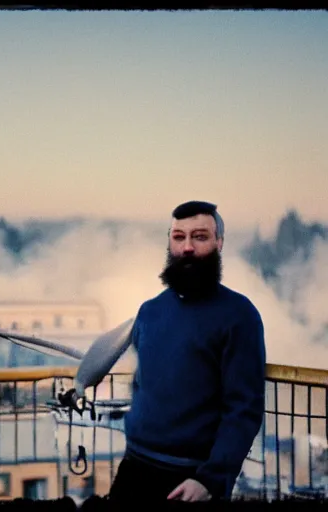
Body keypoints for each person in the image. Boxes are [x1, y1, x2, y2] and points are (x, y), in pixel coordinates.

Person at [108, 200, 267, 504]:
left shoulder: (239, 315)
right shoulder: (150, 311)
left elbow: (243, 409)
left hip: (190, 481)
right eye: (179, 237)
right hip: (134, 468)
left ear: (219, 243)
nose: (188, 247)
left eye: (200, 236)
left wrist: (210, 480)